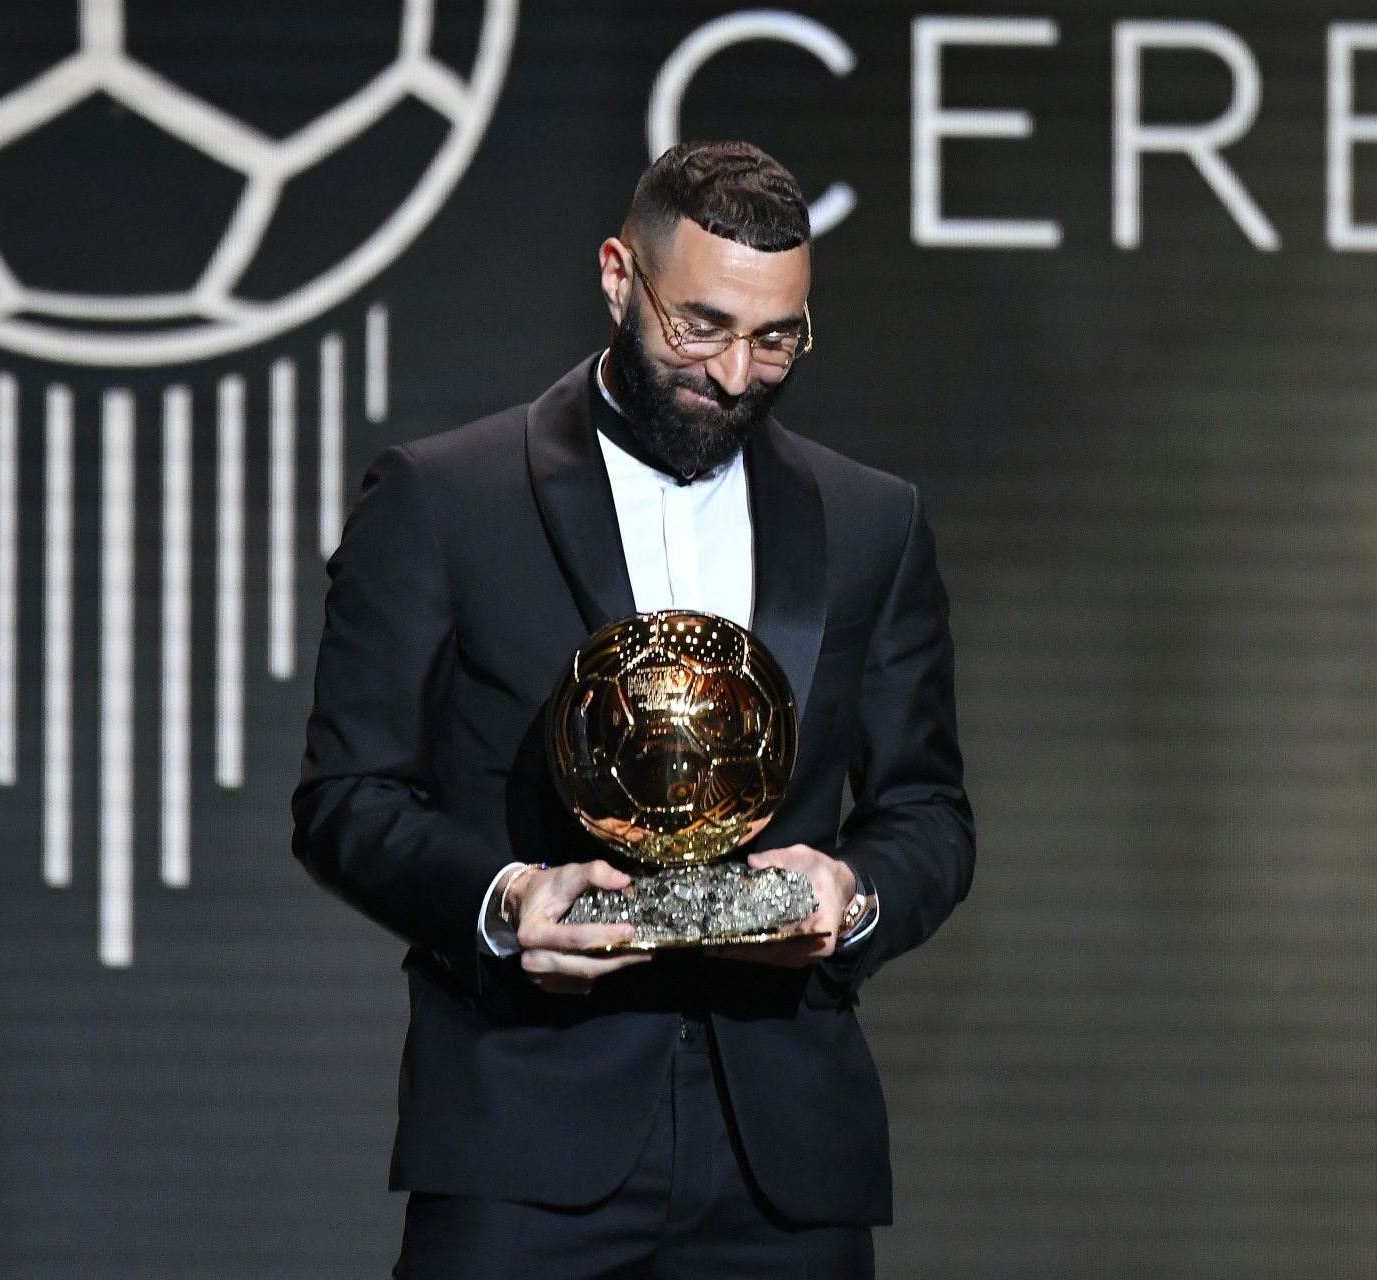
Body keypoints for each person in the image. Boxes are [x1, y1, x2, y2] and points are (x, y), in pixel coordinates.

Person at [292, 140, 973, 1279]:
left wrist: (851, 895)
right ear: (618, 276)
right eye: (699, 327)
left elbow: (930, 812)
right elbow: (345, 799)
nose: (737, 373)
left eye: (777, 337)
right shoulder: (445, 498)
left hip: (785, 1160)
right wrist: (506, 902)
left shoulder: (871, 522)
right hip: (526, 1139)